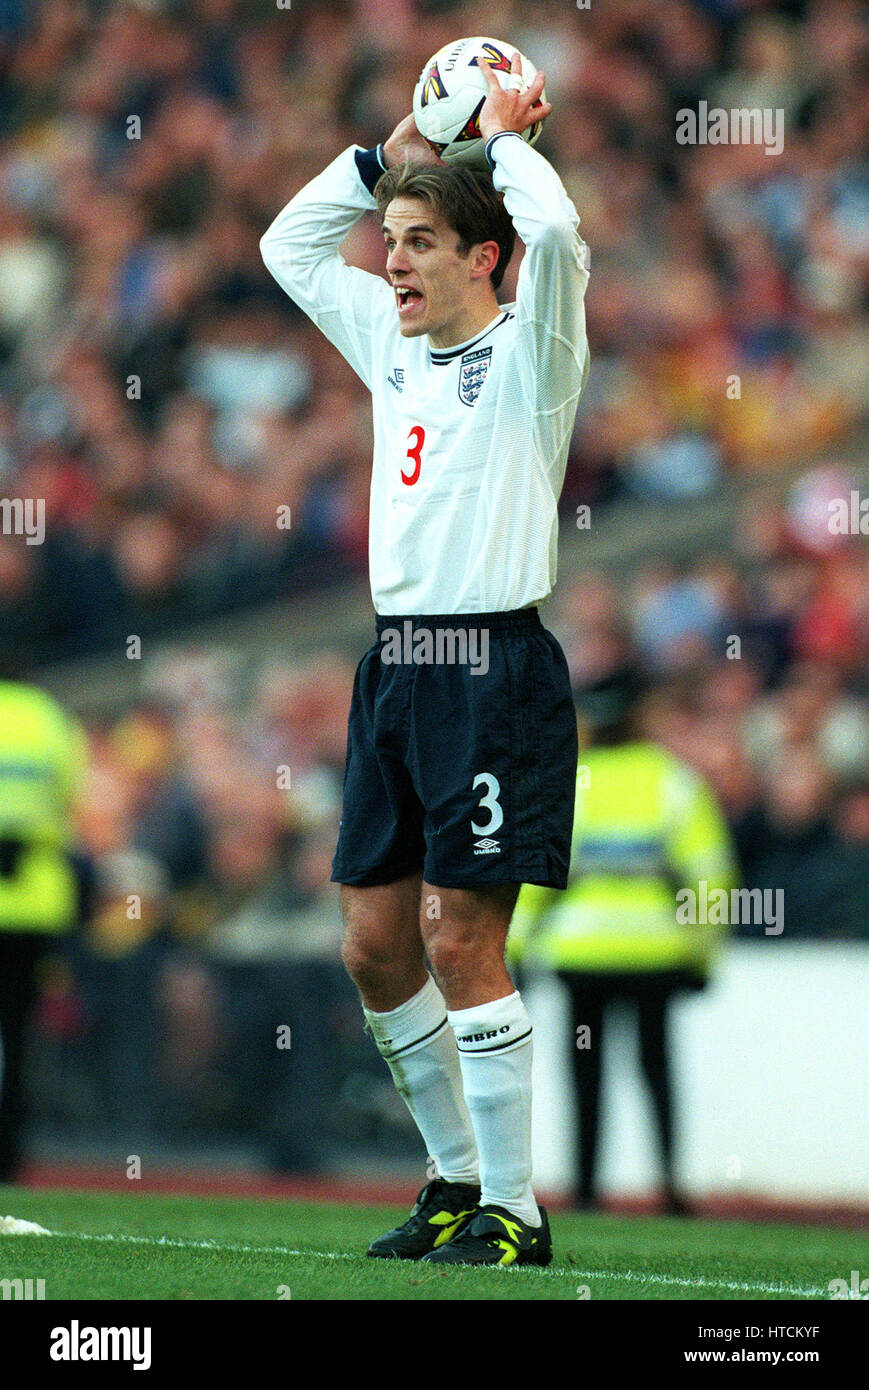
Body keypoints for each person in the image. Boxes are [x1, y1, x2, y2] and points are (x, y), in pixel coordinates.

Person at [261, 52, 590, 1266]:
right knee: (373, 942)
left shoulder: (532, 358)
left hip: (490, 665)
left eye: (414, 241)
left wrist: (495, 139)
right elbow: (287, 249)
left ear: (478, 259)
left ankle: (517, 1210)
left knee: (462, 937)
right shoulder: (389, 347)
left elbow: (553, 230)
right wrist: (397, 142)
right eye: (389, 237)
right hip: (394, 664)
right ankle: (455, 1178)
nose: (387, 258)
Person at [509, 667, 738, 1213]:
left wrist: (516, 952)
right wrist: (702, 955)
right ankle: (672, 1187)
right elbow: (711, 877)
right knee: (656, 1067)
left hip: (581, 955)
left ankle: (586, 1191)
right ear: (641, 717)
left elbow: (534, 883)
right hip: (656, 955)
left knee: (584, 1071)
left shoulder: (568, 782)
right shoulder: (675, 782)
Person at [0, 677, 88, 1181]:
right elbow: (71, 800)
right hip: (34, 901)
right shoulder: (49, 719)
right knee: (18, 1037)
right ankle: (9, 1154)